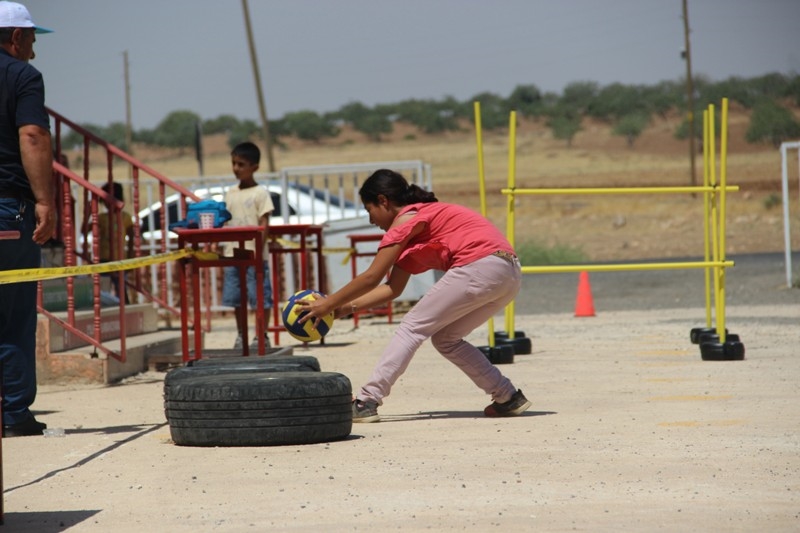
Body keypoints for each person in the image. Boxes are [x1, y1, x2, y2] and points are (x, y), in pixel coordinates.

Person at [298, 168, 531, 423]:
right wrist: (342, 309)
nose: (370, 220)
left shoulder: (407, 219)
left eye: (369, 210)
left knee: (411, 327)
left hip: (479, 265)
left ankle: (367, 401)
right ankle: (508, 397)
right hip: (508, 273)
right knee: (446, 339)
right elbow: (391, 288)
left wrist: (327, 303)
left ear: (383, 201)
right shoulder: (418, 226)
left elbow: (371, 277)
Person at [0, 1, 56, 437]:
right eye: (32, 40)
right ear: (16, 37)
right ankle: (14, 414)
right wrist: (44, 201)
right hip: (7, 209)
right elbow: (32, 135)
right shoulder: (22, 76)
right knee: (14, 314)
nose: (34, 51)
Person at [222, 141, 274, 352]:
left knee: (259, 296)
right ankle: (241, 333)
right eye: (234, 163)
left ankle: (262, 333)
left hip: (255, 256)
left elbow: (264, 223)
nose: (236, 168)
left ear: (254, 167)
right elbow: (225, 221)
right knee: (236, 297)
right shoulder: (230, 193)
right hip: (232, 254)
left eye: (241, 164)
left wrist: (258, 249)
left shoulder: (260, 193)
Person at [87, 181, 134, 303]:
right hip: (103, 259)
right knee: (102, 290)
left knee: (121, 288)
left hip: (119, 259)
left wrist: (131, 256)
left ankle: (126, 309)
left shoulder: (125, 217)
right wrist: (88, 212)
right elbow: (84, 231)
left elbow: (132, 238)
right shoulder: (101, 218)